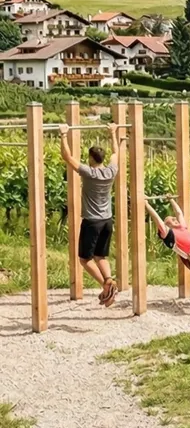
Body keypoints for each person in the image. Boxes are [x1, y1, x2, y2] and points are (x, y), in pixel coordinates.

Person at [59, 122, 120, 307]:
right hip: (107, 220)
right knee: (101, 256)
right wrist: (113, 133)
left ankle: (106, 285)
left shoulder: (89, 172)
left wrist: (63, 135)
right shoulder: (111, 170)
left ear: (91, 159)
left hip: (92, 222)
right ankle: (108, 280)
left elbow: (67, 157)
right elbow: (116, 154)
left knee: (85, 259)